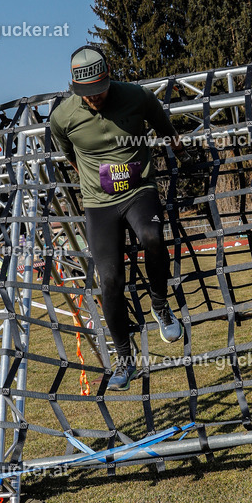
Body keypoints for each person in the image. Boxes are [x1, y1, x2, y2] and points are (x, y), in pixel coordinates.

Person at [50, 44, 185, 389]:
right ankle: (125, 361)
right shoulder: (63, 117)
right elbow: (69, 154)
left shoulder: (136, 96)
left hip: (140, 191)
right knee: (109, 280)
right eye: (86, 94)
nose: (94, 99)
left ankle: (160, 304)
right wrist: (92, 179)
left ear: (109, 78)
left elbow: (164, 126)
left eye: (99, 91)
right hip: (99, 203)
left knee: (153, 238)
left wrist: (179, 147)